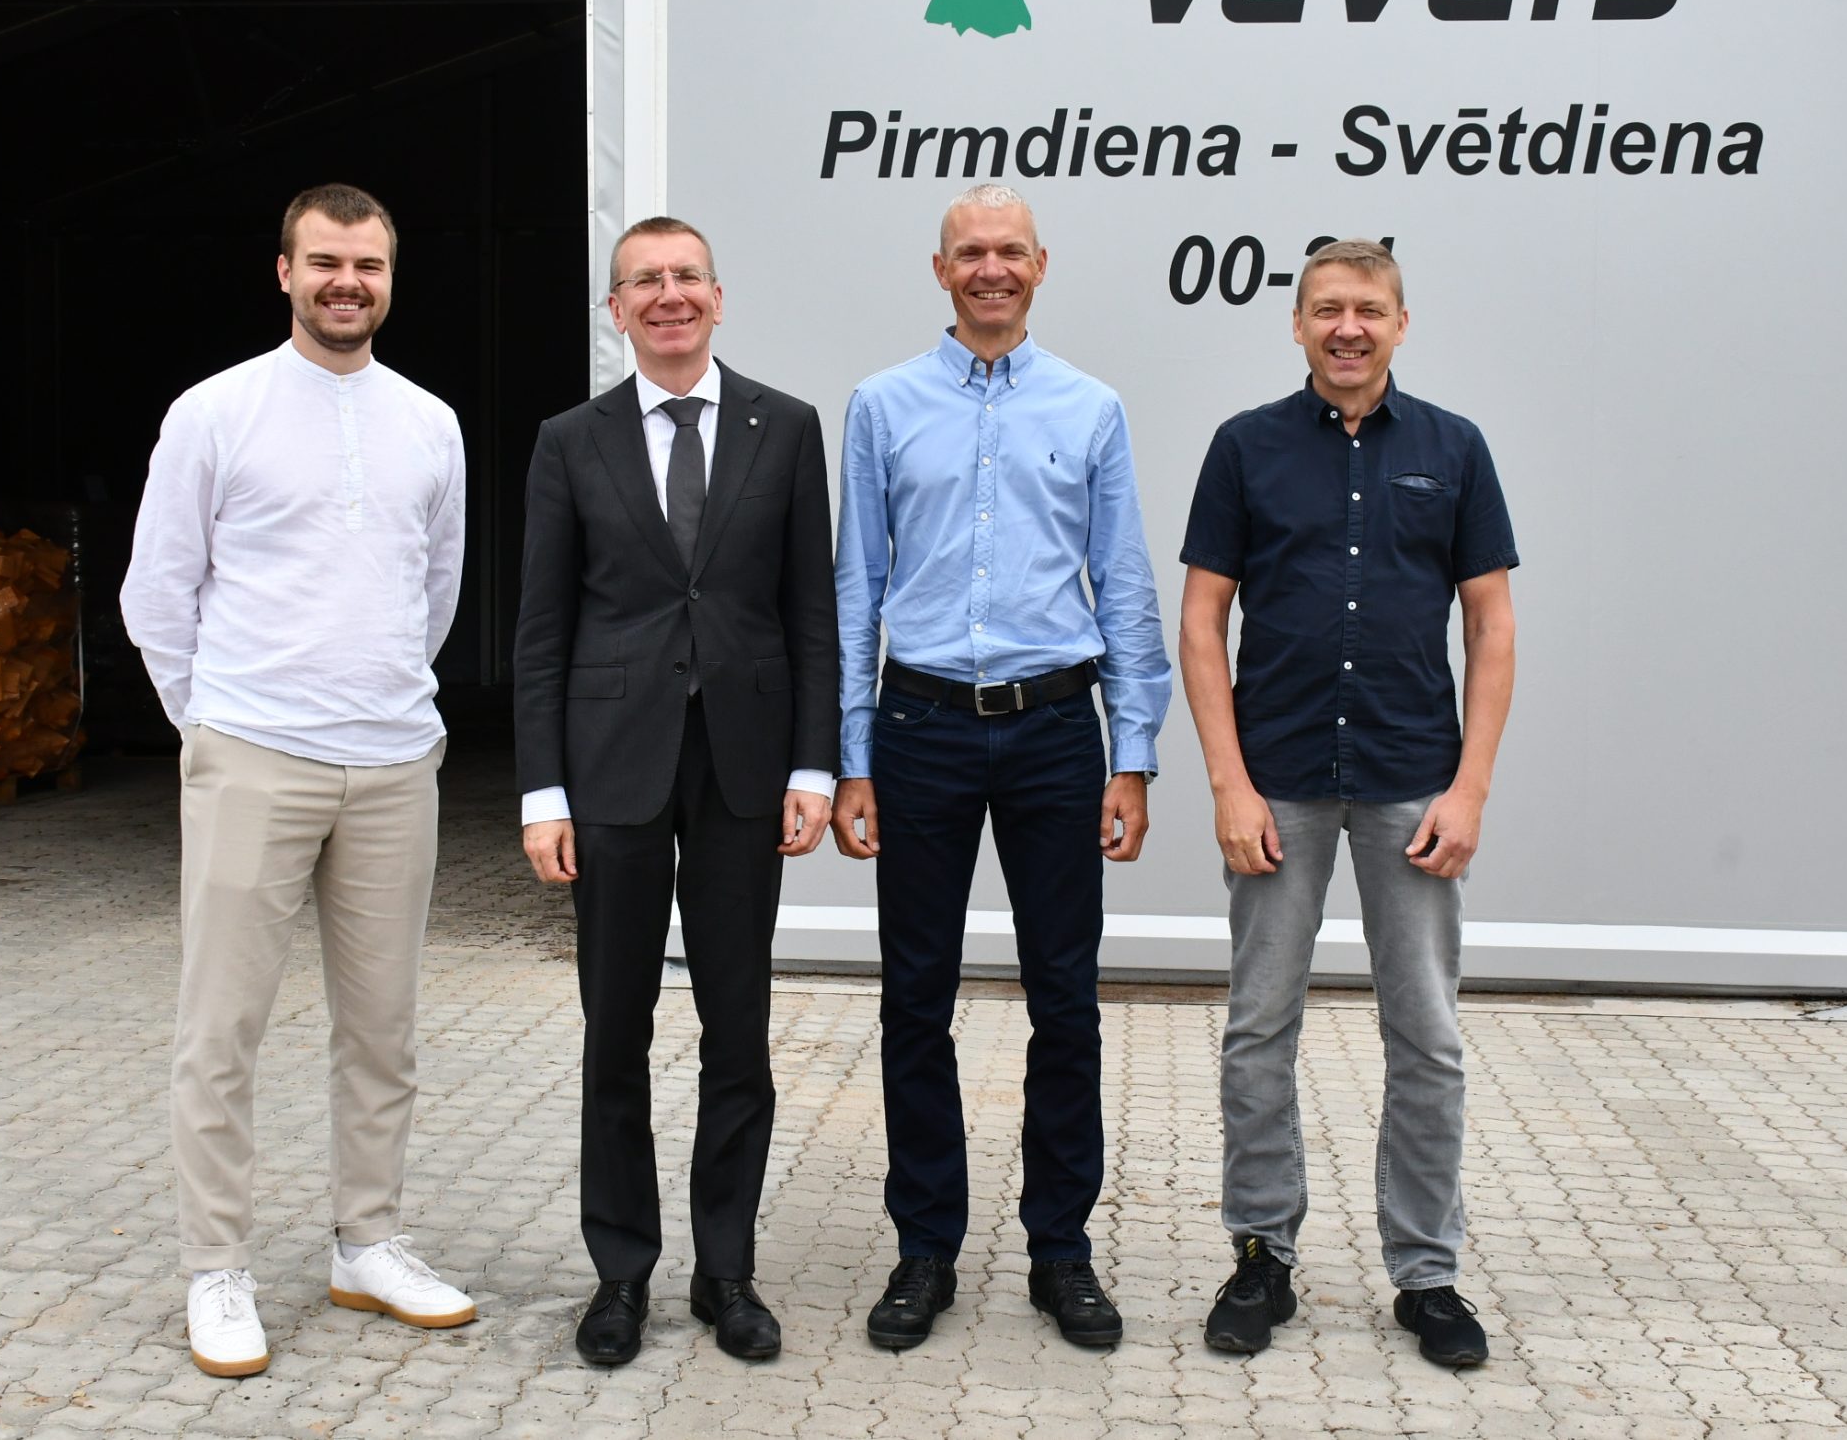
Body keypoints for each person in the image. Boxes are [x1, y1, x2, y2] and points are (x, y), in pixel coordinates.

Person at [122, 183, 475, 1381]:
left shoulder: (429, 423)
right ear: (284, 272)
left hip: (394, 763)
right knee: (221, 1027)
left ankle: (366, 1243)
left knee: (382, 1028)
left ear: (390, 277)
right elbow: (157, 591)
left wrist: (377, 695)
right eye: (325, 262)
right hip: (253, 756)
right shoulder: (215, 412)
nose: (346, 283)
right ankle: (215, 1266)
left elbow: (434, 589)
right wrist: (213, 722)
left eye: (367, 265)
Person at [832, 183, 1171, 1352]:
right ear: (940, 271)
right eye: (969, 252)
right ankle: (925, 1246)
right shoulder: (881, 406)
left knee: (1063, 999)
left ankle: (1059, 1249)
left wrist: (1133, 754)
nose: (990, 268)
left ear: (1039, 266)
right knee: (914, 998)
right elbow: (856, 590)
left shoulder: (1091, 408)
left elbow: (1122, 583)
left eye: (1009, 251)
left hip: (1052, 733)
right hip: (919, 729)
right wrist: (852, 758)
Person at [1176, 239, 1517, 1365]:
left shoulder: (1454, 449)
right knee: (1257, 1030)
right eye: (1326, 309)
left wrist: (1469, 788)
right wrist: (1228, 783)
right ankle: (1260, 1255)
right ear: (1297, 324)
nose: (1347, 328)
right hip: (1276, 783)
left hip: (1411, 784)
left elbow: (1491, 625)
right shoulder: (1246, 447)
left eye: (1367, 309)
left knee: (1426, 1036)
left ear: (1400, 324)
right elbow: (1201, 622)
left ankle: (1427, 1274)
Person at [514, 215, 838, 1366]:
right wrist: (541, 794)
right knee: (617, 1027)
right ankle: (619, 1275)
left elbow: (810, 613)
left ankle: (725, 1271)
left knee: (736, 1029)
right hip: (612, 767)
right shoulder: (570, 441)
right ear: (616, 309)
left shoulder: (784, 427)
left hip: (744, 765)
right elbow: (542, 629)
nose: (668, 296)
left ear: (716, 295)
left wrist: (814, 765)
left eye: (685, 276)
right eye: (643, 281)